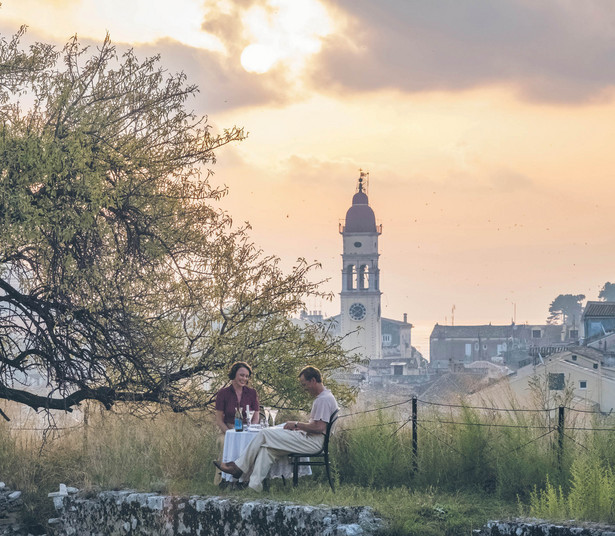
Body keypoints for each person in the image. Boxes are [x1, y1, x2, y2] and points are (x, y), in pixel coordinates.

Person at [214, 366, 338, 492]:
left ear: (313, 380)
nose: (304, 388)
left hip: (313, 443)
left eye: (304, 384)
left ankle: (238, 468)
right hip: (309, 438)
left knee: (264, 433)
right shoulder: (324, 397)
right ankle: (254, 487)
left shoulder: (323, 399)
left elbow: (319, 427)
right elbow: (318, 426)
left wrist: (296, 425)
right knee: (267, 450)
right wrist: (298, 428)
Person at [213, 361, 260, 485]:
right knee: (224, 443)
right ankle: (223, 480)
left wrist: (252, 429)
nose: (244, 378)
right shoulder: (223, 393)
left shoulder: (252, 393)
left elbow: (256, 416)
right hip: (227, 429)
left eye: (246, 376)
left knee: (251, 445)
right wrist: (229, 433)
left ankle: (246, 481)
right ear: (234, 374)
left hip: (247, 430)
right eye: (241, 375)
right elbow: (219, 420)